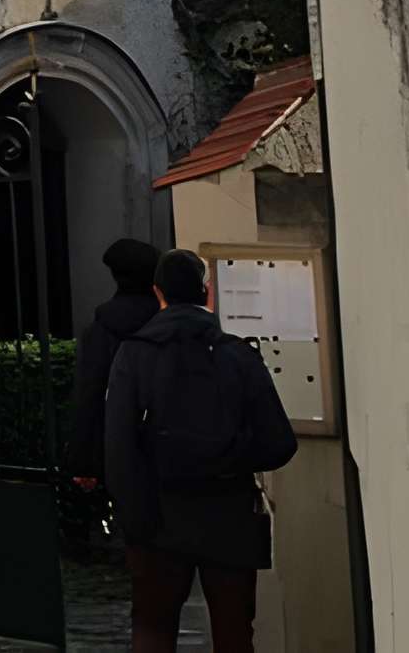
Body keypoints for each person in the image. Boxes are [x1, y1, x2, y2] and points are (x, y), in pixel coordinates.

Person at [104, 247, 299, 653]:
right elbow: (279, 442)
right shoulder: (238, 355)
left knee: (153, 630)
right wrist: (229, 457)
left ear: (159, 294)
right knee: (233, 633)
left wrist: (133, 518)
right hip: (229, 514)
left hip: (156, 515)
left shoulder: (134, 354)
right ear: (207, 293)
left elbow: (118, 447)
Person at [68, 237, 164, 487]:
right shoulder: (170, 323)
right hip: (176, 449)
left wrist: (85, 462)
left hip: (122, 446)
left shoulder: (104, 329)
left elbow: (90, 393)